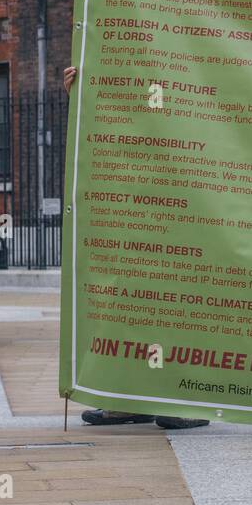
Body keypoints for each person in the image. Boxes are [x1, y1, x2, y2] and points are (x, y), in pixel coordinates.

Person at [62, 62, 209, 431]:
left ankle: (176, 400)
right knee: (124, 302)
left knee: (175, 302)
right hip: (130, 201)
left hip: (184, 200)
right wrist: (83, 95)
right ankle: (124, 398)